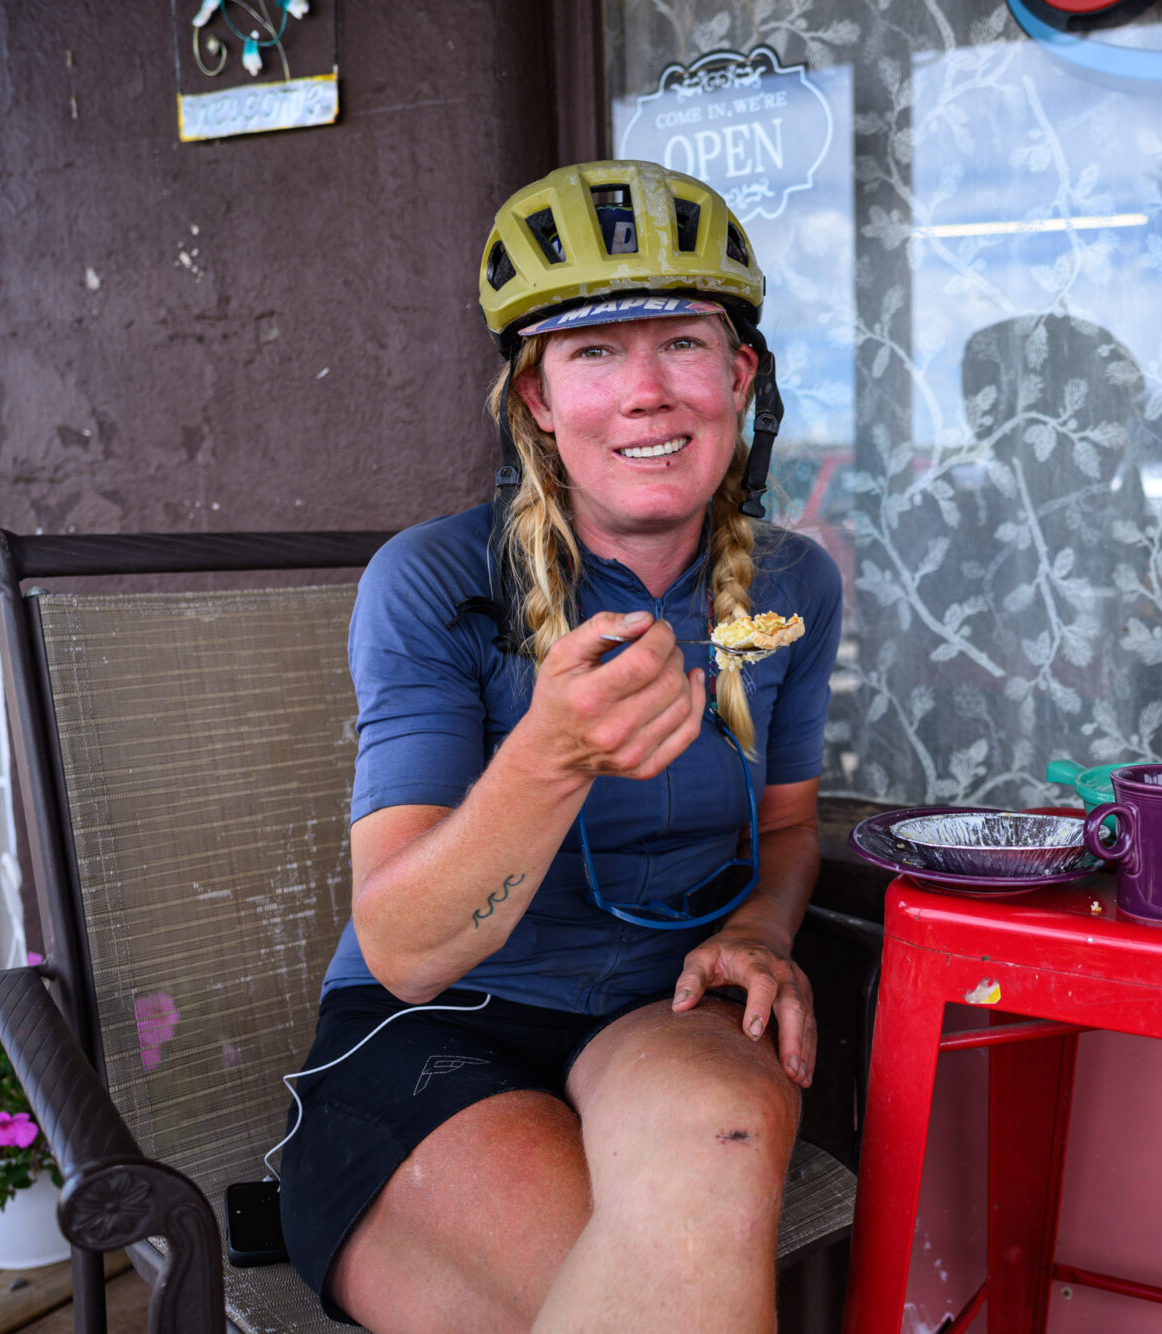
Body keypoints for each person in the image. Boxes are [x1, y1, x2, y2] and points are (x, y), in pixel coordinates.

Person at [276, 160, 843, 1333]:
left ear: (739, 376)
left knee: (712, 1152)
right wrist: (549, 755)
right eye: (590, 352)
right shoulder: (435, 581)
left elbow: (786, 824)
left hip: (666, 1005)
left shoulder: (793, 583)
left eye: (681, 342)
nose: (645, 393)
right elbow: (407, 951)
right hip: (436, 1025)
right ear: (535, 396)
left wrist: (756, 928)